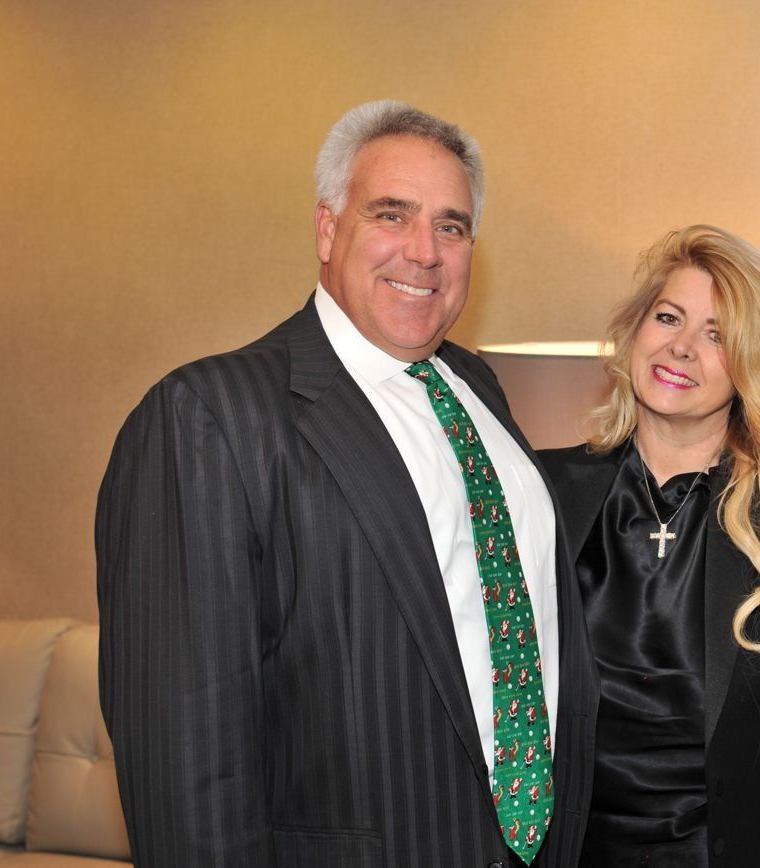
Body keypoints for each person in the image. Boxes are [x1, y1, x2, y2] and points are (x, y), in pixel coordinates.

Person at [96, 100, 597, 867]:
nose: (424, 252)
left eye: (451, 227)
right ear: (328, 230)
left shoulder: (477, 387)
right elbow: (188, 754)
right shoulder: (210, 416)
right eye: (391, 215)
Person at [540, 225, 760, 866]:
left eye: (719, 336)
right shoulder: (541, 489)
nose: (681, 348)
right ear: (634, 329)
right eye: (668, 317)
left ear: (752, 367)